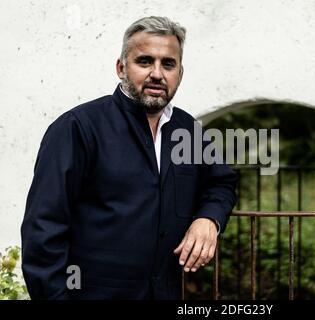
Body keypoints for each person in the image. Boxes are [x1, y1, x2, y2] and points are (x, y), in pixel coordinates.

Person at [21, 16, 237, 300]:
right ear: (121, 68)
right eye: (145, 61)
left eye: (168, 64)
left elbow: (221, 183)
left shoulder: (188, 130)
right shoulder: (78, 127)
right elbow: (43, 229)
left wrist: (209, 219)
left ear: (180, 73)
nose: (157, 74)